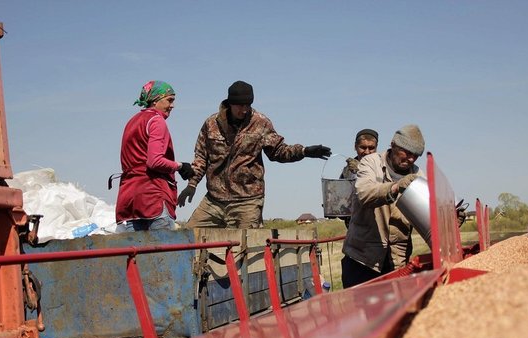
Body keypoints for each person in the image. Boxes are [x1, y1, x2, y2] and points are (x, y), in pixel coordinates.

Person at [178, 80, 332, 228]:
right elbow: (201, 156)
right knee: (188, 237)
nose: (244, 110)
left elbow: (278, 151)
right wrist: (192, 184)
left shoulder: (260, 123)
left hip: (247, 201)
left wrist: (304, 151)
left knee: (246, 244)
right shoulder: (211, 124)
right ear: (230, 103)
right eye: (240, 105)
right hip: (214, 200)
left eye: (248, 105)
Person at [341, 124, 426, 288]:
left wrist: (448, 217)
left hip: (396, 262)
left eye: (415, 155)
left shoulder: (418, 175)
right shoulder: (370, 163)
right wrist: (395, 187)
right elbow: (365, 194)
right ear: (393, 145)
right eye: (407, 153)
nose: (411, 159)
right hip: (362, 259)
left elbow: (425, 214)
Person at [115, 80, 194, 231]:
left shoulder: (132, 122)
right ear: (156, 100)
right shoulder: (156, 121)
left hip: (129, 200)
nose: (172, 105)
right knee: (162, 246)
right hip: (152, 197)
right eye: (169, 100)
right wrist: (180, 166)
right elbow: (155, 161)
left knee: (134, 246)